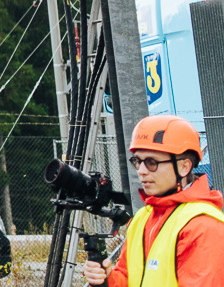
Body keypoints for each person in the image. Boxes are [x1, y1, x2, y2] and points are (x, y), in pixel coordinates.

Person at [83, 115, 224, 287]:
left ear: (184, 167)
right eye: (138, 161)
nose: (141, 171)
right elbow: (127, 278)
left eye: (151, 162)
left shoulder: (203, 225)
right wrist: (106, 277)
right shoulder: (142, 218)